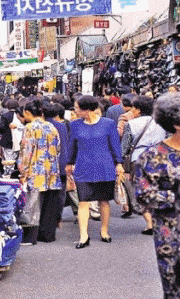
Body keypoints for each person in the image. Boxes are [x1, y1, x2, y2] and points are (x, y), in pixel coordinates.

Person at [134, 92, 180, 298]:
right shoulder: (152, 157)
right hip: (171, 232)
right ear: (176, 123)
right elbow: (144, 195)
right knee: (176, 286)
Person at [66, 96, 124, 249]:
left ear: (86, 109)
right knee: (83, 201)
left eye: (77, 108)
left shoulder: (108, 124)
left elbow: (115, 145)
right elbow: (72, 145)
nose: (75, 111)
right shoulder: (75, 125)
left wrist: (119, 163)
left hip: (105, 167)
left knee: (103, 201)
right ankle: (83, 235)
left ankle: (104, 230)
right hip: (83, 167)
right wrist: (69, 162)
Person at [18, 100, 62, 244]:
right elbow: (58, 147)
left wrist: (23, 171)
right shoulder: (51, 126)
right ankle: (48, 234)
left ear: (28, 113)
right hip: (52, 168)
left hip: (35, 169)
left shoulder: (30, 128)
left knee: (33, 203)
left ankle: (32, 235)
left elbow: (27, 151)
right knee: (49, 202)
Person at [121, 95, 166, 231]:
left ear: (139, 110)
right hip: (160, 158)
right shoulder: (162, 122)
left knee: (142, 191)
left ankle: (149, 224)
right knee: (159, 189)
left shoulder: (131, 124)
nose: (131, 111)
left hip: (138, 160)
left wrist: (120, 163)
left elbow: (124, 147)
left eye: (133, 108)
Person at [44, 103, 70, 227]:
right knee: (60, 193)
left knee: (44, 193)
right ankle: (57, 219)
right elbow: (64, 145)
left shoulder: (42, 126)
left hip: (44, 165)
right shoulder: (62, 126)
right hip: (61, 164)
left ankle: (45, 219)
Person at [0, 99, 19, 176]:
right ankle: (15, 170)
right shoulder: (19, 115)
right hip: (18, 139)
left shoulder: (5, 116)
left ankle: (9, 171)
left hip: (7, 138)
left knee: (8, 156)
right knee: (16, 156)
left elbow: (1, 128)